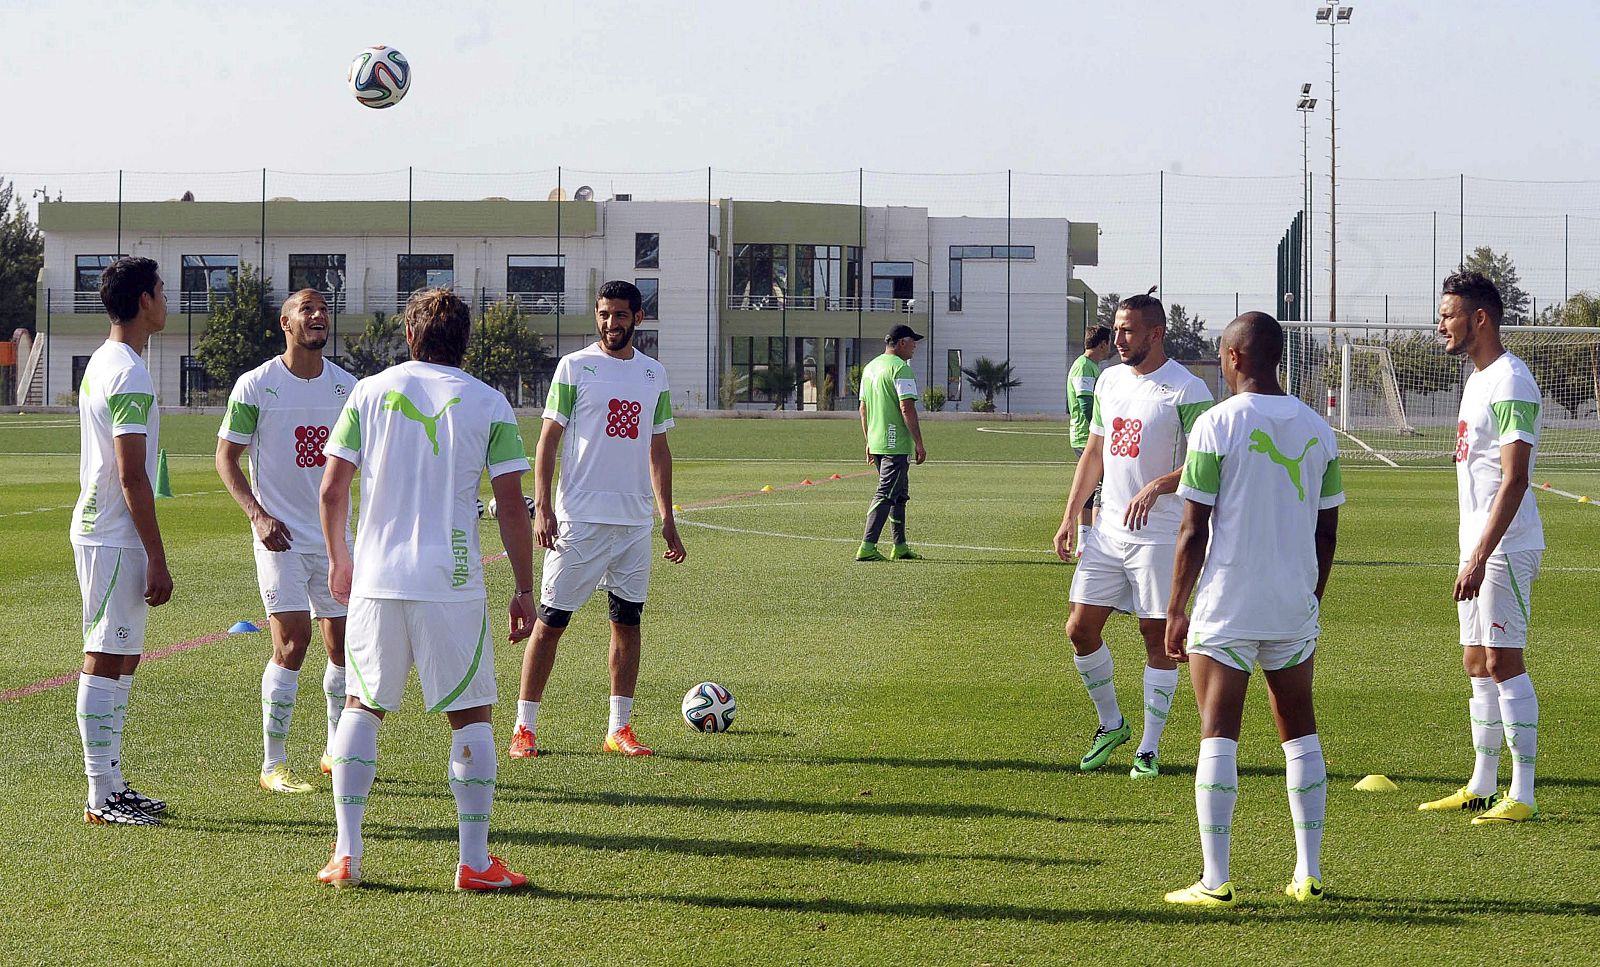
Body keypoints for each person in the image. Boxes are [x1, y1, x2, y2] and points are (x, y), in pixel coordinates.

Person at [316, 287, 534, 890]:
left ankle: (347, 854)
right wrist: (523, 588)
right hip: (453, 580)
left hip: (376, 580)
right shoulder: (490, 403)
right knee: (471, 717)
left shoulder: (368, 392)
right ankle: (473, 861)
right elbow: (512, 506)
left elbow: (333, 491)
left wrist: (340, 558)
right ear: (466, 342)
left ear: (410, 336)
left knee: (363, 704)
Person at [1162, 312, 1342, 907]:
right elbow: (1327, 530)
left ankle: (1216, 880)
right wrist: (1308, 597)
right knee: (1300, 732)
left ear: (1236, 357)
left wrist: (1174, 608)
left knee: (1218, 734)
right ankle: (1308, 873)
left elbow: (1193, 529)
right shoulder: (1320, 429)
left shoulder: (1215, 425)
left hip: (1228, 603)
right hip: (1292, 603)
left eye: (1220, 353)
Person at [508, 280, 686, 761]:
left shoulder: (654, 375)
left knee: (627, 621)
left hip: (632, 525)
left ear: (638, 318)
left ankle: (619, 728)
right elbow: (547, 441)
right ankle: (524, 727)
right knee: (550, 622)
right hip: (579, 520)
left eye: (620, 315)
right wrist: (543, 506)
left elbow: (659, 450)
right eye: (604, 314)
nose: (611, 323)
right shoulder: (575, 367)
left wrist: (666, 517)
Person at [1053, 293, 1213, 778]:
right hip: (1106, 532)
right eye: (1117, 329)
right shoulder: (1108, 380)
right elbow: (1094, 453)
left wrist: (1161, 484)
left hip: (1161, 533)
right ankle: (1111, 723)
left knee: (1155, 635)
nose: (1118, 339)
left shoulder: (1187, 389)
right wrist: (1069, 515)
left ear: (1155, 333)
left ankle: (1148, 746)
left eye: (1128, 330)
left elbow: (1207, 461)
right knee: (1079, 628)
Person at [217, 289, 357, 793]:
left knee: (343, 648)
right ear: (286, 322)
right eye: (307, 310)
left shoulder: (347, 388)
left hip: (335, 539)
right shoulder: (257, 385)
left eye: (323, 310)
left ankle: (335, 750)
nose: (318, 316)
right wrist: (257, 515)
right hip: (279, 539)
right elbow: (225, 458)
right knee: (293, 643)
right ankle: (273, 763)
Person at [1418, 271, 1545, 824]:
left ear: (1480, 319)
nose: (1440, 324)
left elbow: (1515, 480)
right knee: (1476, 662)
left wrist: (1479, 556)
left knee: (1502, 659)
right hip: (1477, 545)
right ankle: (1482, 783)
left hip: (1505, 548)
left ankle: (1523, 792)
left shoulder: (1512, 381)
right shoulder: (1477, 381)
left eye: (1447, 315)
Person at [73, 255, 175, 826]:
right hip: (111, 533)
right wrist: (156, 556)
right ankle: (100, 791)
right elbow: (133, 472)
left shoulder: (108, 360)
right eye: (161, 290)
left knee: (122, 654)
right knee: (104, 654)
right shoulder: (128, 371)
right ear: (143, 301)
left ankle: (111, 782)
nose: (167, 300)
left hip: (109, 530)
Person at [855, 324, 928, 562]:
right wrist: (919, 442)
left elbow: (863, 408)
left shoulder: (870, 368)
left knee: (899, 494)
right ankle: (867, 546)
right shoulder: (901, 370)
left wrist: (868, 440)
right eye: (913, 341)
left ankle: (900, 546)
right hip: (894, 443)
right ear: (901, 343)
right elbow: (906, 407)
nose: (915, 346)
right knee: (886, 493)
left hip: (876, 441)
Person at [1066, 325, 1114, 558]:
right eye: (1109, 343)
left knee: (1093, 487)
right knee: (1100, 487)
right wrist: (1101, 433)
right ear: (1103, 343)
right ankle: (1095, 542)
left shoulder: (1090, 367)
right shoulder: (1085, 367)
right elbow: (1086, 404)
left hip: (1084, 436)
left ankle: (1085, 542)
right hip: (1088, 437)